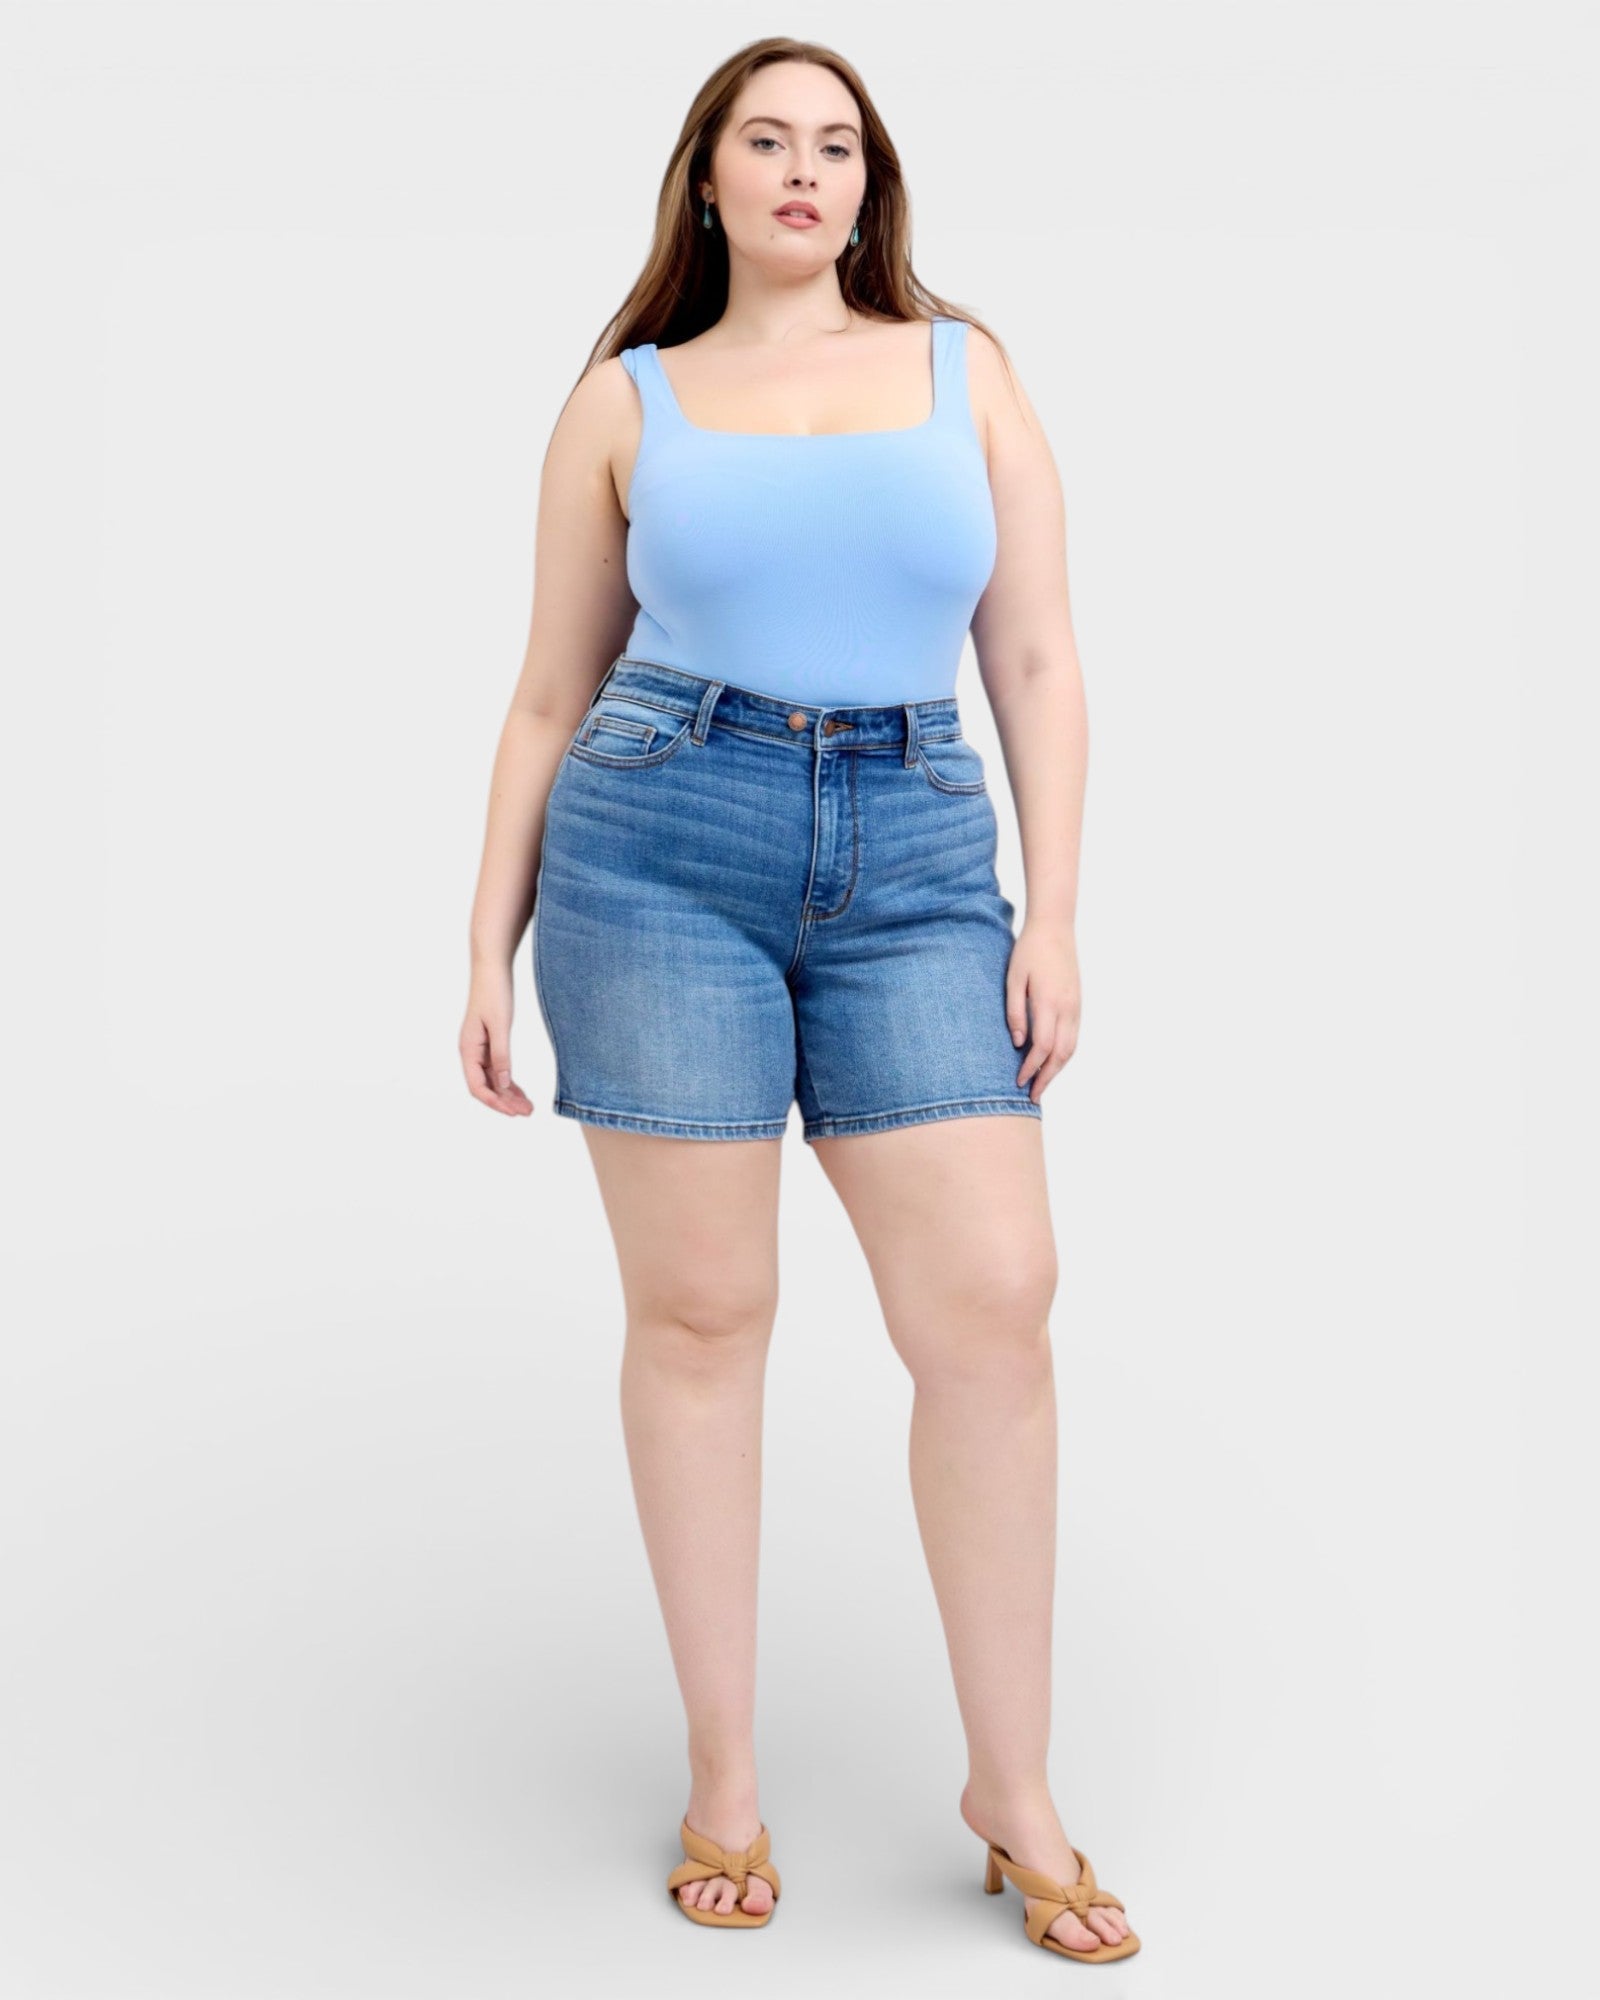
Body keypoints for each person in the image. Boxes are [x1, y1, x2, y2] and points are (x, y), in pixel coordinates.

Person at [459, 34, 1139, 1967]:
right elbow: (543, 690)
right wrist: (484, 939)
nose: (805, 169)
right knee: (703, 1314)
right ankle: (726, 1780)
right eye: (768, 138)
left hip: (920, 857)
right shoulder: (627, 400)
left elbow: (1039, 652)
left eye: (837, 144)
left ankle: (1011, 1789)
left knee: (994, 1301)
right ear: (707, 178)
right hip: (656, 840)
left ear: (869, 183)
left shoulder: (963, 369)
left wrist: (1056, 912)